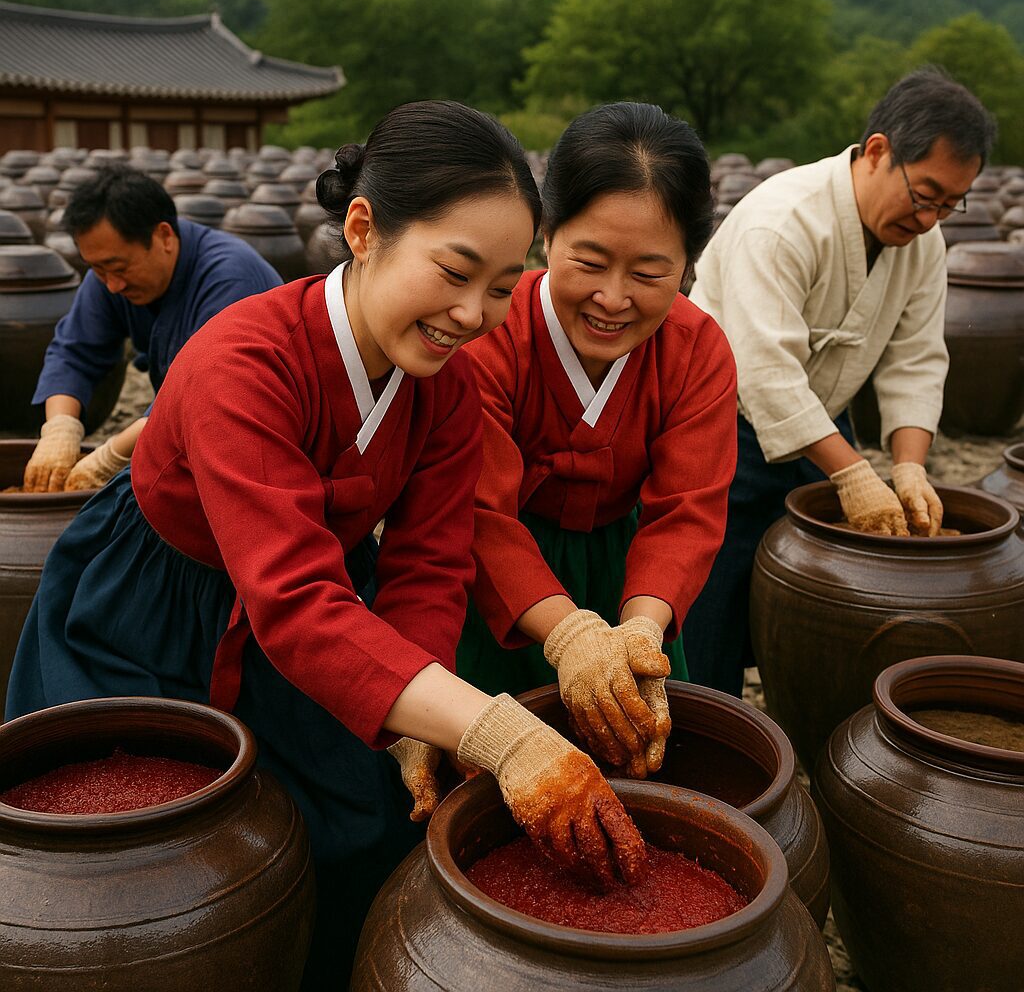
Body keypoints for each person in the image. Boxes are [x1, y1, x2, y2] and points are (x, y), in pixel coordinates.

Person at [5, 101, 648, 987]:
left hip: (320, 615)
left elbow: (428, 562)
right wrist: (497, 730)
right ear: (363, 228)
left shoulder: (445, 389)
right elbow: (292, 599)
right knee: (140, 866)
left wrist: (418, 724)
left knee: (360, 826)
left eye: (503, 287)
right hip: (154, 604)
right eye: (455, 271)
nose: (471, 314)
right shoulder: (244, 358)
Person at [683, 67, 997, 695]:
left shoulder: (921, 245)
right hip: (723, 426)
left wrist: (908, 466)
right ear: (878, 151)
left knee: (798, 600)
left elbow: (915, 357)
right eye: (925, 193)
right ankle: (704, 726)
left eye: (950, 204)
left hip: (823, 425)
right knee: (711, 600)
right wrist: (852, 473)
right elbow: (764, 370)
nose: (932, 219)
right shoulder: (783, 220)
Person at [454, 103, 738, 780]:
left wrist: (640, 630)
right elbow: (480, 511)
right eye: (590, 261)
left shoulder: (697, 349)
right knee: (501, 772)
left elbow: (686, 510)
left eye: (648, 275)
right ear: (546, 235)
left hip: (631, 572)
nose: (613, 299)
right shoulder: (487, 338)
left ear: (688, 264)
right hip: (503, 578)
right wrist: (568, 633)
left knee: (640, 761)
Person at [22, 166, 282, 493]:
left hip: (258, 440)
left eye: (118, 268)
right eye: (98, 270)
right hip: (179, 427)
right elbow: (74, 352)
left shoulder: (230, 279)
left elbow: (196, 395)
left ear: (164, 237)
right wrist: (60, 427)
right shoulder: (110, 274)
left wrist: (111, 454)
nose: (112, 285)